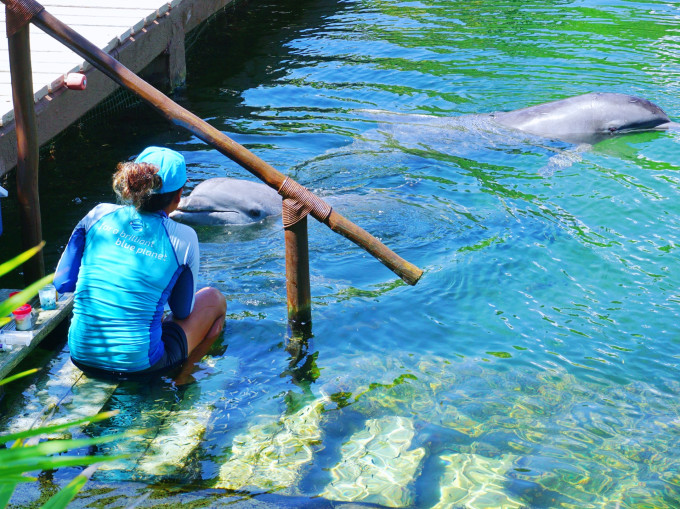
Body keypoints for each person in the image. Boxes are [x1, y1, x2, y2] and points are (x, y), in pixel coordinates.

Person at [54, 146, 227, 380]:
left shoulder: (97, 214)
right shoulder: (184, 238)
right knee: (215, 300)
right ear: (179, 196)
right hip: (143, 366)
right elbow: (183, 311)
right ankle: (185, 376)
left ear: (132, 184)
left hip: (81, 355)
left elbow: (62, 282)